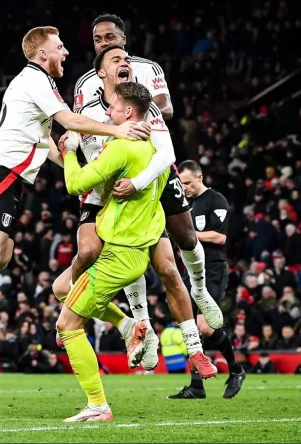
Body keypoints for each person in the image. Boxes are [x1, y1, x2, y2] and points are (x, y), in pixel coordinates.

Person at [0, 26, 150, 317]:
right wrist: (117, 130)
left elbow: (45, 142)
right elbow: (69, 120)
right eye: (60, 47)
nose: (66, 52)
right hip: (0, 171)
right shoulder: (34, 79)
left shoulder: (38, 82)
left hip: (10, 177)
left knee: (2, 256)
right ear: (43, 53)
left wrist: (82, 171)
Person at [52, 45, 214, 375]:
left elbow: (165, 152)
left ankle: (188, 308)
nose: (124, 60)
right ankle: (138, 328)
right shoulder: (92, 105)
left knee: (170, 264)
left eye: (125, 55)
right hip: (108, 194)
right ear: (101, 73)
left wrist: (137, 182)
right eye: (115, 57)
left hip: (137, 189)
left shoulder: (141, 109)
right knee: (89, 251)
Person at [75, 13, 222, 334]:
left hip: (154, 163)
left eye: (111, 38)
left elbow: (164, 108)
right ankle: (139, 322)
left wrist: (134, 106)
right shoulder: (85, 85)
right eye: (99, 39)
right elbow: (79, 128)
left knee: (185, 236)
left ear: (123, 39)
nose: (105, 42)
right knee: (128, 246)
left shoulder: (145, 69)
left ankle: (200, 290)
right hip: (117, 173)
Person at [56, 82, 188, 423]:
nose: (108, 113)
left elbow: (75, 185)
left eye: (113, 107)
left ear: (129, 112)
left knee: (67, 325)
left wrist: (70, 150)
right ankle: (128, 325)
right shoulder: (152, 154)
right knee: (61, 289)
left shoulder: (121, 148)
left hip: (116, 257)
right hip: (134, 253)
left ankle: (98, 405)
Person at [173, 161, 246, 399]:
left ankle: (236, 369)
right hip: (189, 270)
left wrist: (188, 235)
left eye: (188, 183)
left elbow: (220, 237)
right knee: (190, 329)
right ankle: (196, 386)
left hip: (212, 270)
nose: (184, 188)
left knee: (205, 327)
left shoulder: (216, 200)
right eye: (181, 183)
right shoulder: (186, 204)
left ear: (200, 177)